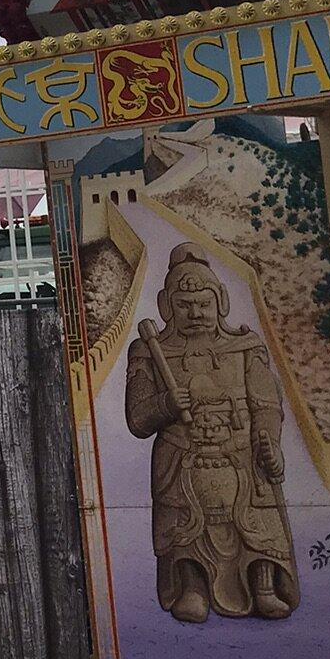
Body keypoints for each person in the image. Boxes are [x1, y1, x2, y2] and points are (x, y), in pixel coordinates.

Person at [124, 242, 299, 625]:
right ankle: (192, 587)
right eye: (184, 305)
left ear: (219, 300)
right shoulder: (150, 351)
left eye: (202, 303)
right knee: (184, 525)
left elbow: (266, 405)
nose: (195, 313)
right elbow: (137, 420)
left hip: (239, 453)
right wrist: (167, 405)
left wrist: (268, 442)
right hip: (182, 456)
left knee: (256, 520)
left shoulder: (244, 346)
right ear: (166, 304)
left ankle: (262, 586)